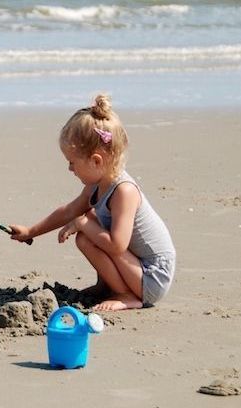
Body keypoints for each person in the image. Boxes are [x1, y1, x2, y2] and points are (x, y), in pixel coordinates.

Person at [9, 95, 175, 311]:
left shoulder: (124, 191)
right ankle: (107, 286)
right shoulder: (97, 185)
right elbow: (69, 211)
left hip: (152, 277)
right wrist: (30, 231)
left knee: (88, 227)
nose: (70, 169)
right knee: (86, 234)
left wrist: (83, 223)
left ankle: (126, 295)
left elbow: (117, 245)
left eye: (72, 163)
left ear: (96, 161)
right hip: (136, 268)